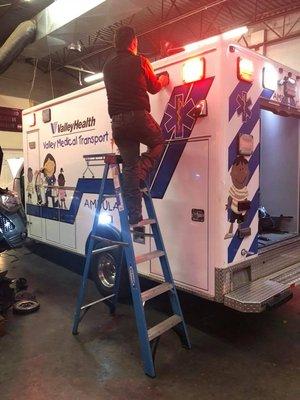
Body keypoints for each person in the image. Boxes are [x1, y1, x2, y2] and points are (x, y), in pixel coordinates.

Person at [103, 25, 169, 225]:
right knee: (158, 142)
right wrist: (164, 79)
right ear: (133, 42)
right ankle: (144, 168)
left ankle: (134, 215)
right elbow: (154, 87)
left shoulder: (107, 67)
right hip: (137, 118)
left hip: (118, 123)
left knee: (129, 166)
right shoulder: (140, 61)